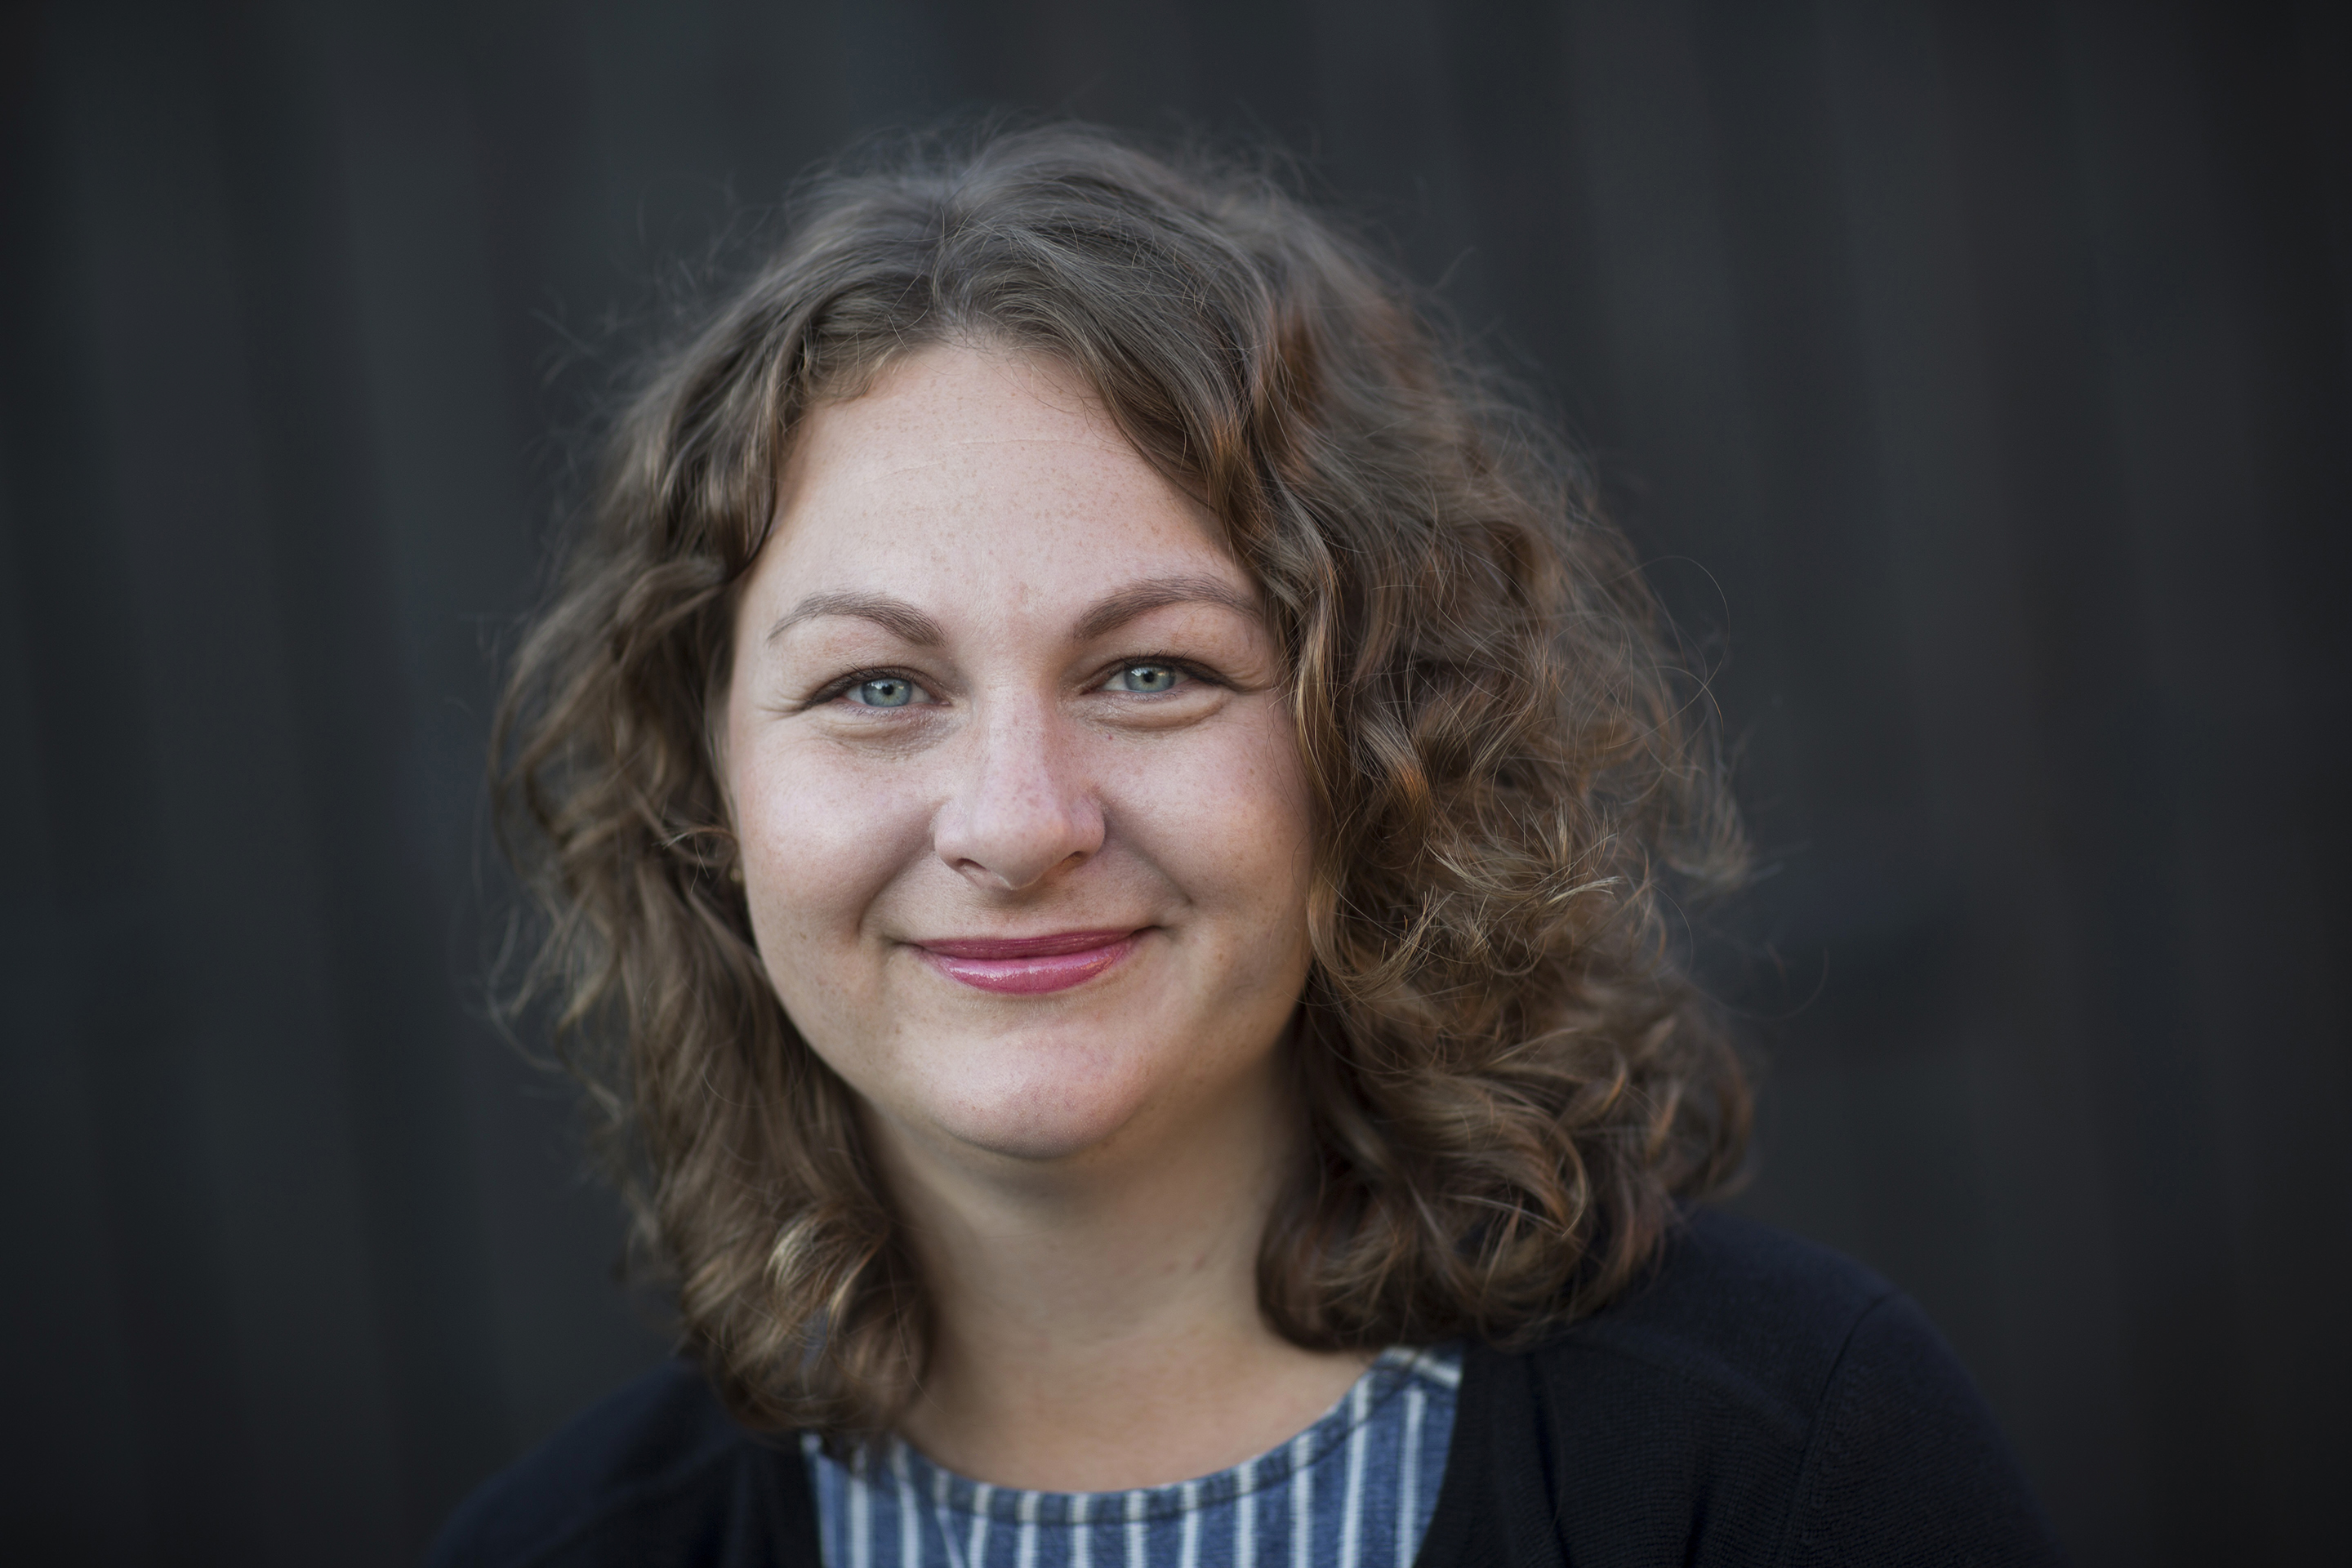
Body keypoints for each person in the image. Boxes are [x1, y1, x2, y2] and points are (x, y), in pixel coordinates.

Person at [435, 125, 2060, 1567]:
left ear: (1375, 749)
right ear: (706, 797)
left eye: (1152, 672)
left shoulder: (1781, 1463)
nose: (1018, 823)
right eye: (876, 688)